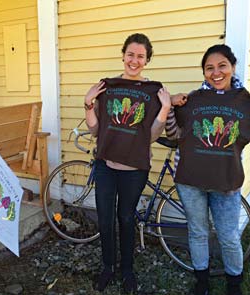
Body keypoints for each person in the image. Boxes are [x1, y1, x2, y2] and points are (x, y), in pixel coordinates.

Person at [166, 44, 250, 295]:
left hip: (226, 182)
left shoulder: (245, 102)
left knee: (228, 236)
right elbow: (175, 135)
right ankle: (202, 282)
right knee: (197, 232)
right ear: (204, 72)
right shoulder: (193, 99)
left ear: (232, 67)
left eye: (222, 66)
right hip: (189, 180)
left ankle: (234, 285)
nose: (216, 73)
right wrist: (171, 108)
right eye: (209, 68)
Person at [84, 33, 171, 293]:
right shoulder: (106, 87)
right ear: (123, 55)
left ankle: (127, 270)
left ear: (147, 60)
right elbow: (95, 131)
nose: (134, 60)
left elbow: (152, 136)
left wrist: (165, 109)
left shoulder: (154, 91)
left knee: (126, 217)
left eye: (140, 56)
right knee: (105, 218)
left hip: (135, 169)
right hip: (105, 165)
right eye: (130, 54)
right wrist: (89, 103)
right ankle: (108, 267)